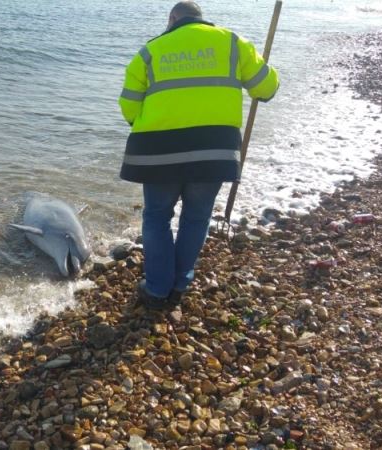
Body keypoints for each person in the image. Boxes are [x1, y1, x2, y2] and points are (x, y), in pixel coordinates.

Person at [118, 1, 279, 309]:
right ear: (200, 18)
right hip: (213, 151)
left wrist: (147, 125)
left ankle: (156, 289)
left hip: (158, 152)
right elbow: (266, 88)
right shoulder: (233, 43)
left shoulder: (150, 51)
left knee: (156, 218)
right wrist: (267, 71)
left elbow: (128, 105)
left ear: (172, 19)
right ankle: (179, 283)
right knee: (196, 217)